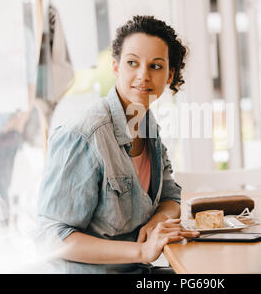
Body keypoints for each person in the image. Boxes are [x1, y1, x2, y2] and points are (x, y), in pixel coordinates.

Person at [36, 15, 199, 274]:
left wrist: (157, 222)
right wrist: (141, 251)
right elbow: (50, 238)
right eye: (132, 63)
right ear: (116, 68)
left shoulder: (146, 123)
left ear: (169, 75)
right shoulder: (85, 135)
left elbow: (170, 196)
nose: (143, 76)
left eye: (155, 66)